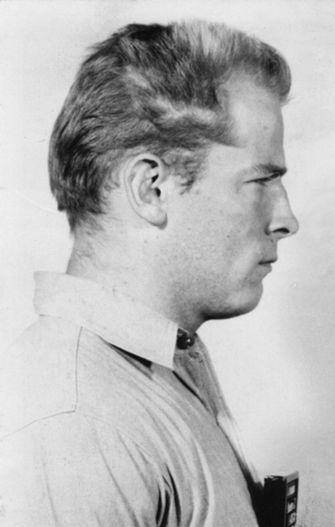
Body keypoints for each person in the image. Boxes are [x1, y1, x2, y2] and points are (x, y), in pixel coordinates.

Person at [0, 20, 297, 526]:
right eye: (260, 181)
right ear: (151, 189)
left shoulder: (160, 366)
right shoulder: (80, 421)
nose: (286, 219)